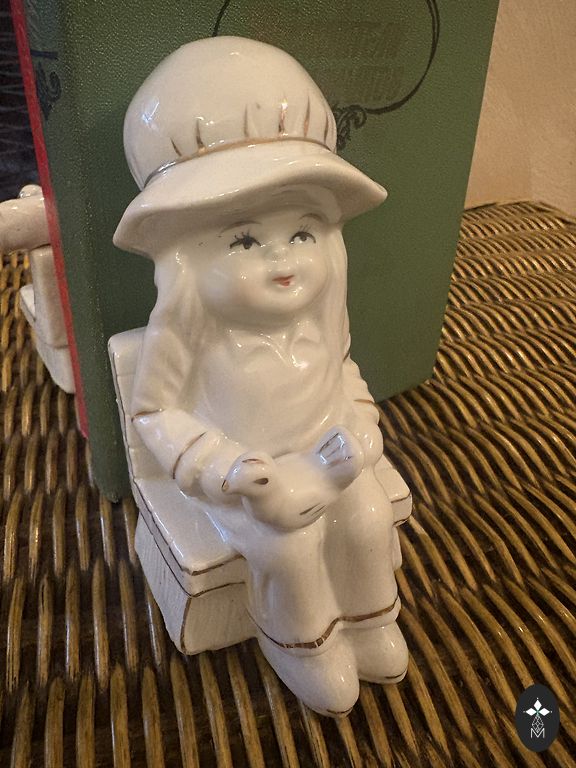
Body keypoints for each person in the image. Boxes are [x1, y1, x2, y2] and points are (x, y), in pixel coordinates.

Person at [115, 36, 410, 716]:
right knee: (289, 549)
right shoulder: (190, 336)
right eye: (246, 240)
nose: (284, 261)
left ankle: (371, 622)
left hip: (327, 462)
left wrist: (357, 437)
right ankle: (303, 644)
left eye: (303, 234)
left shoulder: (318, 324)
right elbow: (156, 414)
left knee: (367, 518)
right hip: (246, 486)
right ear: (187, 259)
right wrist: (233, 471)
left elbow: (346, 378)